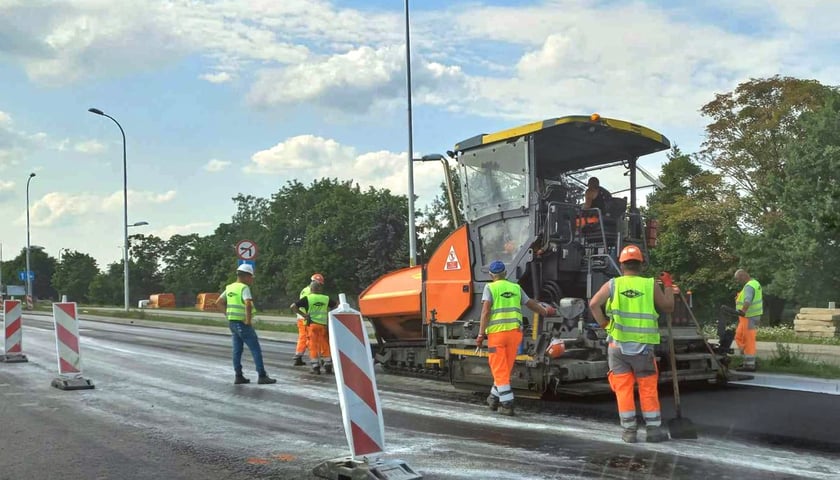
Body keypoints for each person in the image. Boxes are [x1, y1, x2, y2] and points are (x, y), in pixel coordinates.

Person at [588, 245, 675, 443]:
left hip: (617, 347)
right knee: (647, 387)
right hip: (643, 348)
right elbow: (668, 307)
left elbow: (593, 304)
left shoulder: (613, 284)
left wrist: (605, 325)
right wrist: (668, 286)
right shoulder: (649, 284)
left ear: (621, 264)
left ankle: (629, 432)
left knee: (623, 389)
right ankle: (653, 431)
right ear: (641, 265)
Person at [476, 260, 556, 416]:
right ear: (505, 274)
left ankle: (507, 403)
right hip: (514, 336)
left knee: (498, 369)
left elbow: (485, 312)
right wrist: (544, 312)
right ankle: (493, 397)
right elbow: (531, 303)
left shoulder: (490, 287)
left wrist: (480, 335)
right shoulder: (516, 288)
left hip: (496, 337)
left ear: (491, 275)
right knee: (505, 368)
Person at [215, 263, 276, 385]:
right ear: (245, 276)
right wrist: (248, 321)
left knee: (237, 350)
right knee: (255, 349)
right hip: (243, 324)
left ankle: (238, 376)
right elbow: (248, 303)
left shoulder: (230, 287)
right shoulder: (244, 288)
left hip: (232, 323)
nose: (252, 279)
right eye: (251, 277)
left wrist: (227, 315)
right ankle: (262, 375)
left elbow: (218, 302)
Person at [291, 280, 337, 375]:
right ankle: (328, 364)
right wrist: (329, 313)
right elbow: (336, 305)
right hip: (323, 325)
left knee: (313, 345)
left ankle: (315, 366)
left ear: (311, 289)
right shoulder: (326, 298)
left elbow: (293, 306)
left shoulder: (308, 298)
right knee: (324, 344)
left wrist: (303, 315)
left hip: (311, 325)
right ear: (320, 289)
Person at [293, 273, 325, 366]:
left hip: (302, 317)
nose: (319, 286)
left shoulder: (305, 290)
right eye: (319, 284)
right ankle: (317, 358)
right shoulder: (310, 292)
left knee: (303, 337)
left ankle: (298, 356)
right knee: (312, 338)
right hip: (307, 318)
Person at [733, 269, 762, 372]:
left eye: (738, 279)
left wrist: (743, 311)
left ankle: (750, 365)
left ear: (742, 276)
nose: (738, 282)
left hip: (749, 317)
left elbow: (748, 300)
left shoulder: (749, 286)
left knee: (748, 340)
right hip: (750, 317)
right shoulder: (754, 283)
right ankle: (748, 360)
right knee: (739, 336)